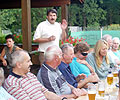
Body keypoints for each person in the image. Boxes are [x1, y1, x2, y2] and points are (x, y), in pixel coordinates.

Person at [3, 50, 73, 100]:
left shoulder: (30, 75)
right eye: (28, 61)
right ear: (19, 64)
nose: (31, 63)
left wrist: (62, 99)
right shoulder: (12, 83)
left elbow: (46, 93)